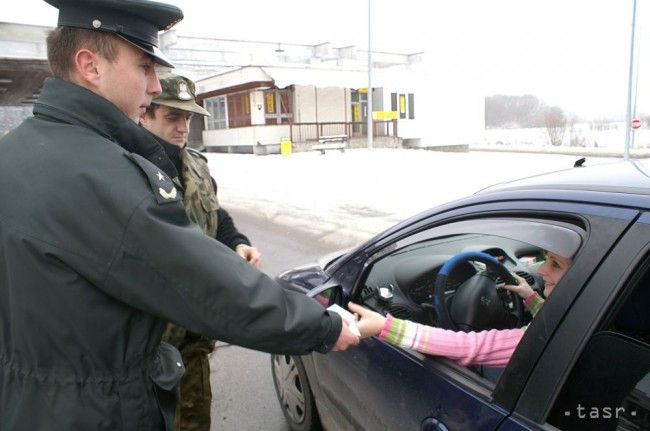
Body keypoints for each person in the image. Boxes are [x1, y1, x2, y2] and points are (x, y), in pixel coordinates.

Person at [0, 1, 358, 430]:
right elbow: (209, 287)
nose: (154, 85)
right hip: (96, 413)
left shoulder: (15, 154)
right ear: (89, 66)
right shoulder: (105, 175)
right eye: (144, 67)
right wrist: (322, 325)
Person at [140, 73, 261, 431]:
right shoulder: (127, 168)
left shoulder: (196, 164)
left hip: (194, 336)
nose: (182, 127)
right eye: (172, 117)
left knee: (193, 421)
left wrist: (236, 242)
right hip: (148, 344)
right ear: (145, 115)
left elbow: (215, 215)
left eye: (188, 118)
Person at [350, 251, 572, 367]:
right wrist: (530, 297)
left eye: (556, 264)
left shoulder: (541, 338)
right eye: (546, 259)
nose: (541, 270)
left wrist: (384, 326)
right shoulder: (575, 315)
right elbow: (547, 316)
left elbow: (467, 346)